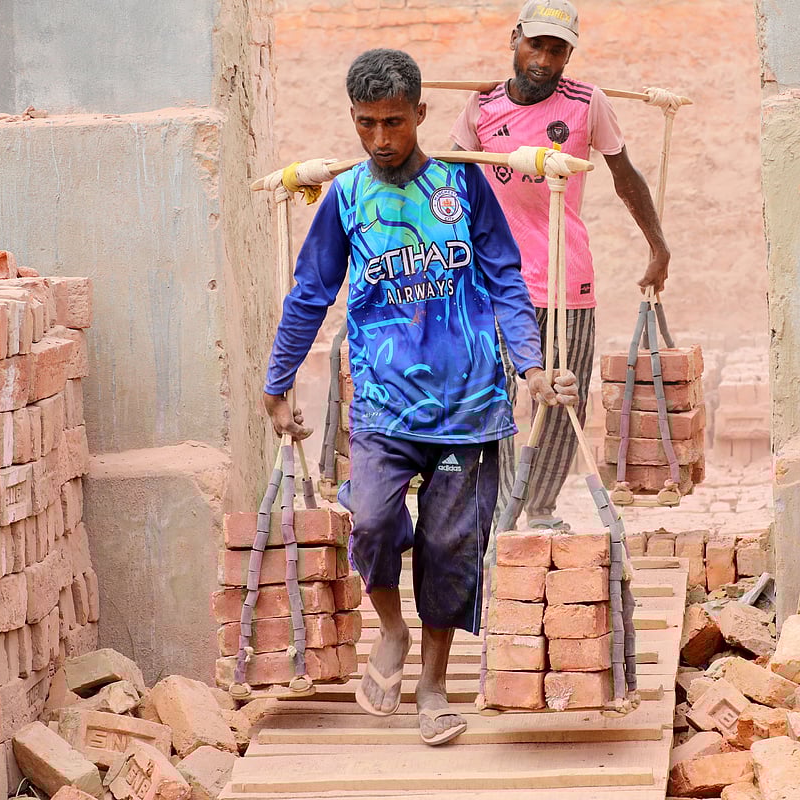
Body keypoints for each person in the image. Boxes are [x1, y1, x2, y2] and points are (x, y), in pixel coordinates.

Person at [262, 48, 577, 745]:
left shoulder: (462, 190)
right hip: (382, 407)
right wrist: (277, 382)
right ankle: (393, 633)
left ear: (421, 116)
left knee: (449, 546)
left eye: (395, 123)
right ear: (353, 118)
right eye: (367, 124)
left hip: (469, 409)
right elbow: (310, 293)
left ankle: (434, 688)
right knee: (370, 522)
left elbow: (505, 280)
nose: (380, 140)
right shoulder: (346, 199)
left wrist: (530, 367)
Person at [450, 0, 671, 531]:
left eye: (557, 50)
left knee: (560, 394)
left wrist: (658, 245)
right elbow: (449, 182)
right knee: (490, 394)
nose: (544, 60)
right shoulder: (480, 107)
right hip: (492, 281)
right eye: (536, 45)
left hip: (565, 276)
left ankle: (541, 508)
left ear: (569, 54)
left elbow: (626, 176)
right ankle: (499, 507)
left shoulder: (588, 103)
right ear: (514, 40)